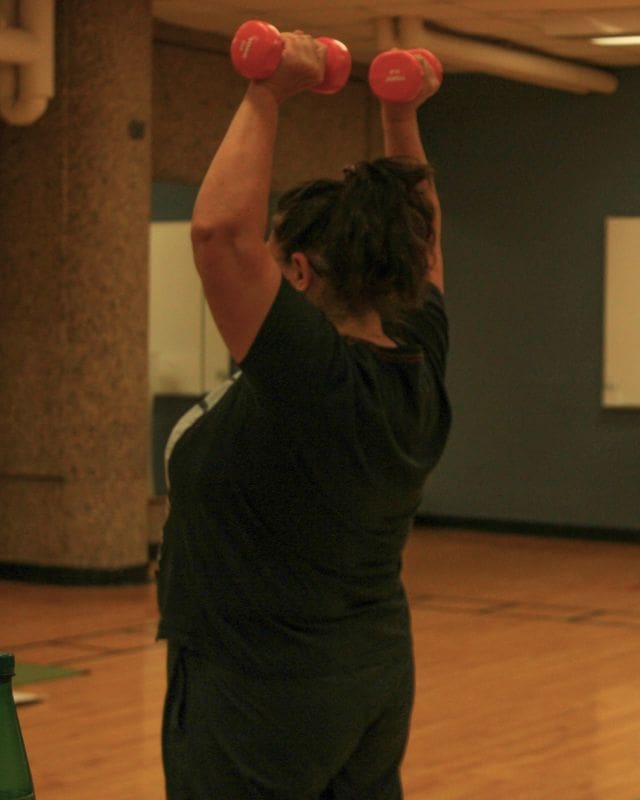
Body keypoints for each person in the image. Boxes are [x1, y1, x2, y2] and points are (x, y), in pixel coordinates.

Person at [155, 32, 449, 800]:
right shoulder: (414, 352)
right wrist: (398, 112)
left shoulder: (317, 379)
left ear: (299, 271)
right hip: (369, 674)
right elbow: (424, 243)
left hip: (262, 693)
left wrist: (268, 92)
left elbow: (221, 235)